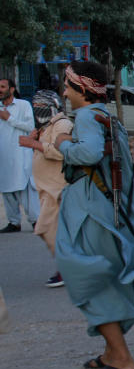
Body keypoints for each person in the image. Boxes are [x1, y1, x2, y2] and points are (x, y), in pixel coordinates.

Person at [55, 62, 134, 369]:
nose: (64, 92)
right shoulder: (107, 116)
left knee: (89, 278)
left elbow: (87, 154)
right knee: (104, 276)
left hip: (91, 215)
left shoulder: (87, 116)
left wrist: (61, 143)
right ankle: (110, 353)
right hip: (107, 213)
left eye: (68, 87)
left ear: (83, 90)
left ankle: (122, 358)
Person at [18, 90, 72, 287]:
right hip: (47, 189)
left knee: (46, 229)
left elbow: (62, 152)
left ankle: (68, 270)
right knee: (54, 231)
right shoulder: (46, 126)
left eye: (39, 107)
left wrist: (34, 143)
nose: (36, 111)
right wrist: (36, 140)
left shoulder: (62, 125)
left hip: (57, 187)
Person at [0, 77, 37, 233]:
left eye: (2, 86)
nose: (0, 89)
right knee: (7, 189)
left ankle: (36, 221)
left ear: (12, 89)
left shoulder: (23, 105)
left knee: (25, 189)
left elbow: (30, 126)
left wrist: (9, 119)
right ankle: (14, 222)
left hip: (20, 154)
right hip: (3, 156)